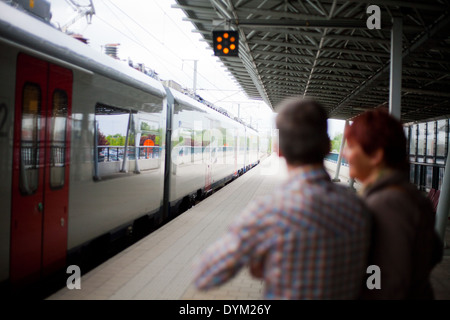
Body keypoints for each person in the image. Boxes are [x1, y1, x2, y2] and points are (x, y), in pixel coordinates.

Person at [193, 97, 371, 299]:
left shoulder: (269, 211)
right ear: (328, 146)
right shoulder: (358, 206)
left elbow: (204, 276)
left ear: (278, 150)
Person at [343, 109, 443, 299]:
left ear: (375, 156)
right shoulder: (410, 195)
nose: (345, 153)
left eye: (351, 146)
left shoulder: (387, 204)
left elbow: (387, 282)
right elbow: (435, 252)